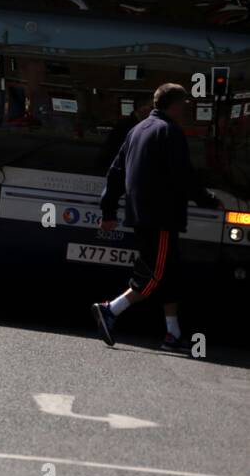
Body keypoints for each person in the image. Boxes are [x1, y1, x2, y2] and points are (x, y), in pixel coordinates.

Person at [93, 83, 221, 352]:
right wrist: (208, 200)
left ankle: (172, 335)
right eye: (185, 105)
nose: (186, 110)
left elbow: (115, 172)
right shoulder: (170, 131)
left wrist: (108, 209)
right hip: (161, 216)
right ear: (175, 105)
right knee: (156, 274)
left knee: (171, 275)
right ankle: (110, 310)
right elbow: (183, 175)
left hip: (141, 213)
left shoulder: (137, 130)